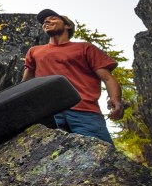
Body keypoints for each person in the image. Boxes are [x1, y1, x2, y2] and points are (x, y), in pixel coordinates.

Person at [21, 9, 124, 144]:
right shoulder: (34, 51)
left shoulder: (85, 48)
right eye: (44, 21)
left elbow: (108, 78)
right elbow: (26, 83)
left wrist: (115, 99)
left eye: (53, 18)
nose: (46, 22)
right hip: (48, 114)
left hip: (85, 112)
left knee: (99, 152)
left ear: (67, 25)